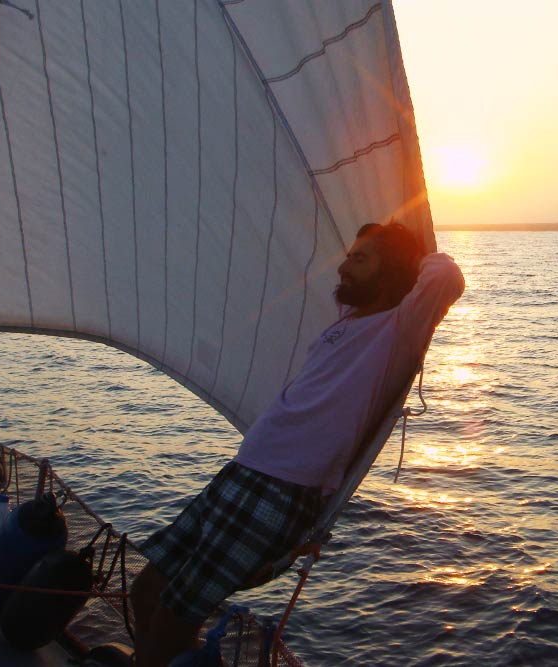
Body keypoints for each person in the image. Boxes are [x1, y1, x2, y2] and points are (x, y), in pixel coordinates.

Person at [130, 221, 465, 666]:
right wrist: (373, 250)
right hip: (245, 470)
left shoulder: (399, 330)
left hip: (282, 489)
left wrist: (413, 250)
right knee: (146, 588)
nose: (344, 266)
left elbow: (445, 277)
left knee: (176, 612)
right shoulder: (348, 319)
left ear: (392, 272)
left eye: (360, 258)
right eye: (348, 255)